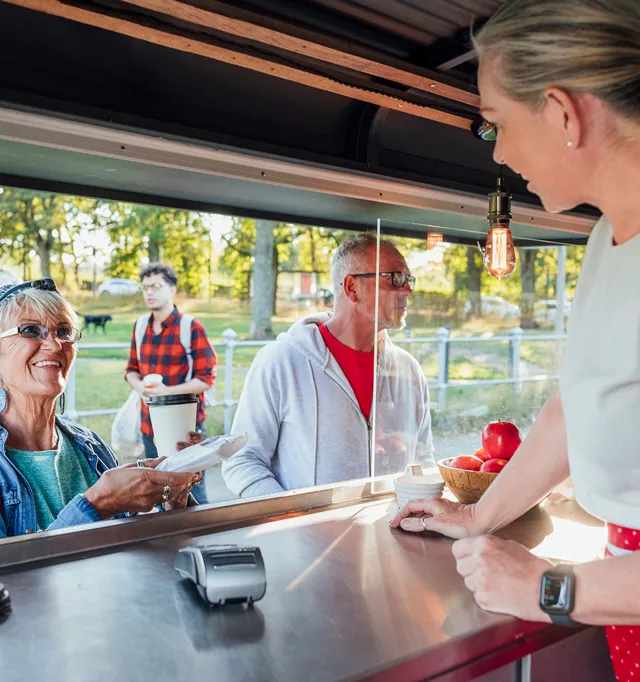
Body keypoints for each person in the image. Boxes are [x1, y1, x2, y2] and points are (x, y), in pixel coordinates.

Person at [390, 1, 640, 678]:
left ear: (563, 113)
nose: (497, 152)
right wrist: (480, 517)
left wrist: (546, 587)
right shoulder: (606, 238)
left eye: (495, 124)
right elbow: (578, 402)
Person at [222, 233, 435, 498]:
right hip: (306, 536)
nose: (408, 290)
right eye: (395, 278)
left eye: (408, 279)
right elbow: (242, 460)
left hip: (391, 532)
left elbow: (423, 459)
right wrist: (291, 520)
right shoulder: (282, 362)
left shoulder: (408, 370)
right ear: (352, 288)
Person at [0, 278, 201, 538]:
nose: (54, 344)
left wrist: (173, 493)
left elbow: (132, 546)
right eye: (30, 330)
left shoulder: (88, 445)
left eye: (63, 331)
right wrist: (97, 505)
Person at [125, 263, 216, 504]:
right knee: (156, 490)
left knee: (192, 488)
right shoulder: (140, 326)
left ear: (172, 289)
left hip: (185, 427)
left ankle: (201, 539)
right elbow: (131, 370)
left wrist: (166, 393)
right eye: (145, 287)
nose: (149, 292)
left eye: (156, 286)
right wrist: (140, 386)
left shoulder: (191, 327)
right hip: (150, 423)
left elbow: (205, 379)